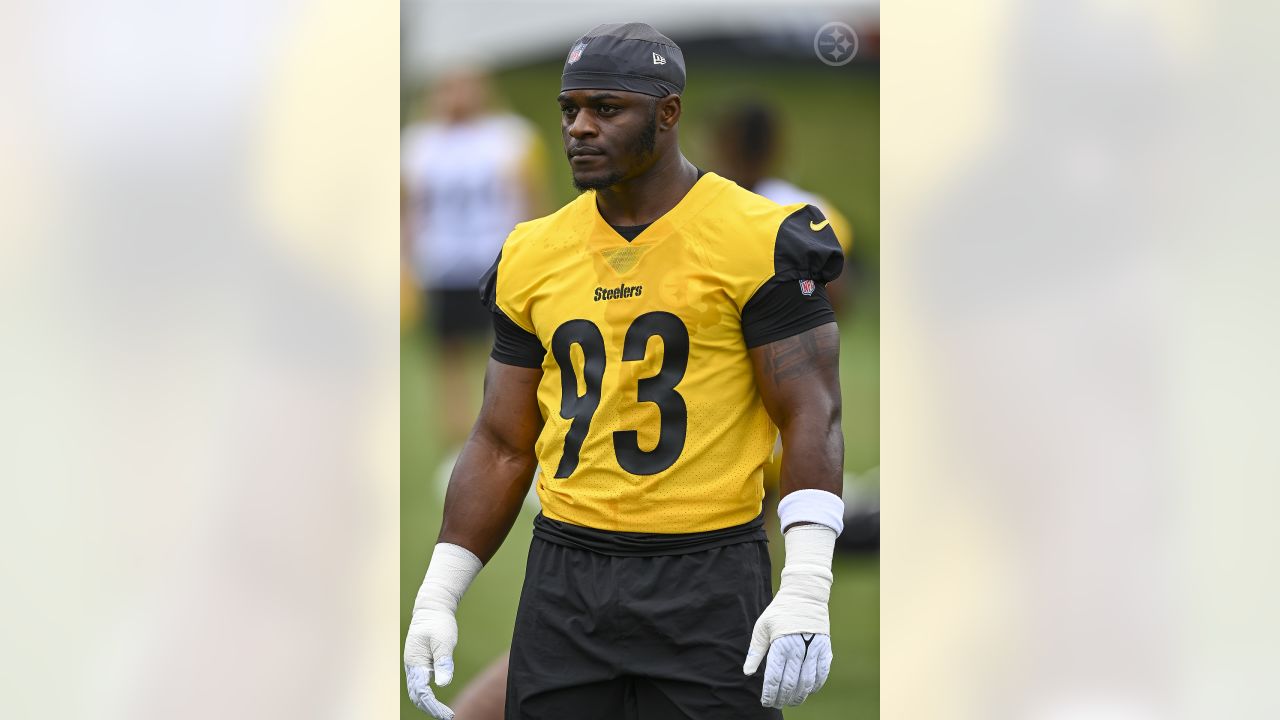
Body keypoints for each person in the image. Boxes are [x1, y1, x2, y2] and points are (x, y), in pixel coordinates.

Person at [404, 23, 847, 719]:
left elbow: (810, 412)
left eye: (607, 109)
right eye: (569, 109)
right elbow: (501, 440)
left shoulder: (756, 236)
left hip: (708, 571)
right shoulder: (533, 251)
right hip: (565, 572)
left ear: (668, 113)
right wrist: (439, 590)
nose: (580, 128)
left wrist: (809, 581)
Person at [402, 68, 548, 445]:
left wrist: (537, 253)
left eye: (465, 84)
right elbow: (409, 209)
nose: (457, 95)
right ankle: (458, 441)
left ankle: (511, 433)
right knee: (447, 358)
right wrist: (405, 262)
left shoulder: (510, 137)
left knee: (509, 354)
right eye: (449, 85)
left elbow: (530, 198)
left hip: (496, 257)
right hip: (441, 263)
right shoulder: (418, 143)